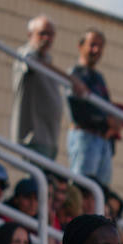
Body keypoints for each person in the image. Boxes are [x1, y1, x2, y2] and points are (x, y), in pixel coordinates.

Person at [12, 15, 71, 161]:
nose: (47, 38)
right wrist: (71, 79)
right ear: (30, 35)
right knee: (36, 180)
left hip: (50, 136)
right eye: (42, 33)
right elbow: (31, 63)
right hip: (34, 136)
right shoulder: (25, 53)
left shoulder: (47, 60)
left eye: (51, 34)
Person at [66, 29, 115, 186]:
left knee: (101, 192)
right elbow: (78, 111)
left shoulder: (99, 78)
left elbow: (107, 108)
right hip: (85, 137)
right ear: (80, 46)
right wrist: (104, 120)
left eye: (100, 46)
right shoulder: (75, 74)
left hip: (103, 141)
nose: (96, 50)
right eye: (92, 45)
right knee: (83, 188)